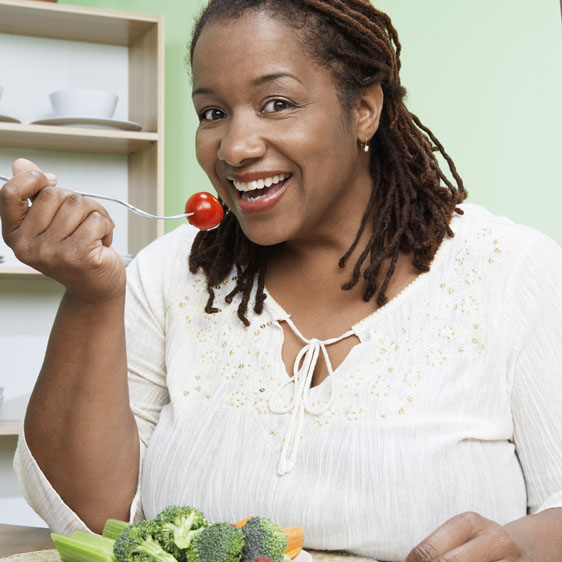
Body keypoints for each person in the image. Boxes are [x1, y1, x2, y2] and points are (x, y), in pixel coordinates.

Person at [1, 1, 561, 560]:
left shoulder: (514, 272)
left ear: (364, 109)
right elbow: (91, 520)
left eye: (277, 104)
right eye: (213, 112)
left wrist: (518, 546)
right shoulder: (168, 273)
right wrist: (91, 297)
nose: (235, 148)